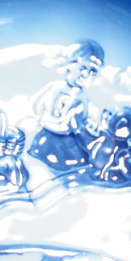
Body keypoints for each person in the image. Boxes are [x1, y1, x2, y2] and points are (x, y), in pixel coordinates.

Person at [27, 40, 107, 174]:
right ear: (71, 64)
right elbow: (38, 105)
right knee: (70, 159)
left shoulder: (77, 95)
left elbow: (80, 118)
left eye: (92, 72)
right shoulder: (61, 90)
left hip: (60, 136)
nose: (86, 74)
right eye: (83, 68)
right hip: (54, 137)